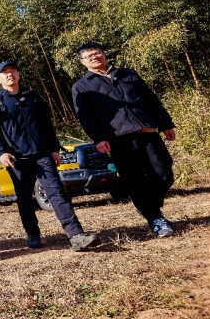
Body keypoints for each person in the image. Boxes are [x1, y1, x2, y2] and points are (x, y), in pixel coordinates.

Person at [0, 62, 101, 251]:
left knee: (57, 192)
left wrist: (54, 148)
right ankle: (32, 233)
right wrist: (1, 153)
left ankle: (76, 235)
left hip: (41, 154)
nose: (9, 74)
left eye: (13, 71)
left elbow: (46, 124)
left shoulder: (33, 97)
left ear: (19, 74)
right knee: (24, 198)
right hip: (16, 159)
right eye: (5, 73)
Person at [72, 42, 177, 237]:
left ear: (104, 54)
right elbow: (86, 117)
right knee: (134, 179)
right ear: (82, 62)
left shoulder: (127, 74)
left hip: (146, 130)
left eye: (97, 53)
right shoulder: (82, 86)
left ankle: (147, 204)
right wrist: (98, 139)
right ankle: (155, 219)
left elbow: (150, 99)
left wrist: (165, 124)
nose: (95, 57)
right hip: (118, 138)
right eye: (89, 56)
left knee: (164, 173)